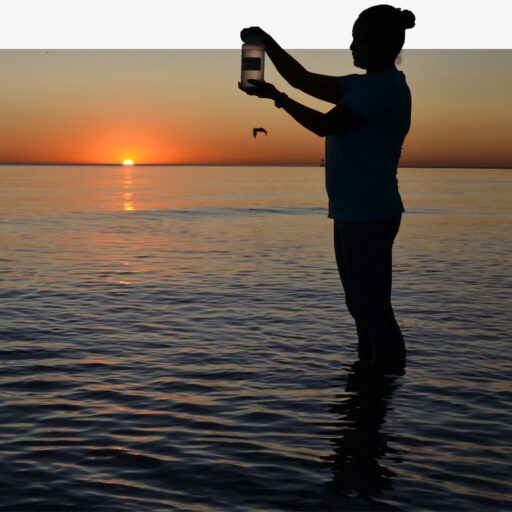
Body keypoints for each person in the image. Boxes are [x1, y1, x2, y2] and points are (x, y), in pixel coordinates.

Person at [239, 5, 415, 375]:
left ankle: (385, 384)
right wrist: (268, 44)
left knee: (373, 307)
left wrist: (279, 99)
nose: (352, 45)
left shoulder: (383, 88)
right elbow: (302, 79)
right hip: (352, 211)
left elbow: (324, 125)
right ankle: (368, 379)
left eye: (359, 38)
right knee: (359, 304)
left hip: (370, 212)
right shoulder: (360, 85)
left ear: (384, 43)